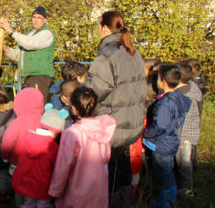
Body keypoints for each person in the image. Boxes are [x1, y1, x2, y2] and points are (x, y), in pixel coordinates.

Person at [85, 11, 146, 206]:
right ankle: (127, 199)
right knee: (123, 161)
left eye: (98, 26)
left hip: (112, 123)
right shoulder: (133, 51)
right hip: (131, 120)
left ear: (103, 28)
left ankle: (111, 201)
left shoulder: (106, 56)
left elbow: (93, 92)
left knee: (109, 169)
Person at [49, 87, 116, 208]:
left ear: (74, 108)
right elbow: (106, 157)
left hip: (76, 193)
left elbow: (63, 167)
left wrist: (55, 190)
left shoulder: (72, 133)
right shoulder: (103, 129)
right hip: (99, 191)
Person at [143, 65, 191, 207]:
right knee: (168, 171)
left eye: (158, 78)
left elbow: (160, 125)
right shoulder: (179, 98)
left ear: (163, 81)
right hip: (172, 140)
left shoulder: (165, 103)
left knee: (162, 175)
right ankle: (172, 197)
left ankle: (163, 202)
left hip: (162, 143)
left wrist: (147, 133)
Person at [12, 108, 66, 208]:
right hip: (42, 183)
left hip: (25, 178)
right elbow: (56, 164)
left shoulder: (25, 137)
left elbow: (19, 152)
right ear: (55, 131)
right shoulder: (52, 145)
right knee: (43, 204)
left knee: (28, 202)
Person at [0, 6, 55, 102]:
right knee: (29, 106)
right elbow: (19, 55)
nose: (36, 20)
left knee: (37, 106)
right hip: (29, 76)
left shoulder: (46, 33)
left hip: (40, 76)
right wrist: (6, 49)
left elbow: (30, 44)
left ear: (45, 20)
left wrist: (12, 31)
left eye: (39, 18)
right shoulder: (29, 34)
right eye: (34, 17)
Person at [0, 87, 44, 206]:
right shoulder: (43, 121)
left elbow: (8, 142)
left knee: (19, 188)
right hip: (38, 164)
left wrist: (5, 156)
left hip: (17, 163)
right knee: (35, 187)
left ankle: (21, 204)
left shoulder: (16, 122)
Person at [174, 62, 203, 197]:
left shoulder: (181, 96)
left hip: (183, 135)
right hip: (189, 133)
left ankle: (187, 188)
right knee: (183, 161)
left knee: (184, 163)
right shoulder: (193, 88)